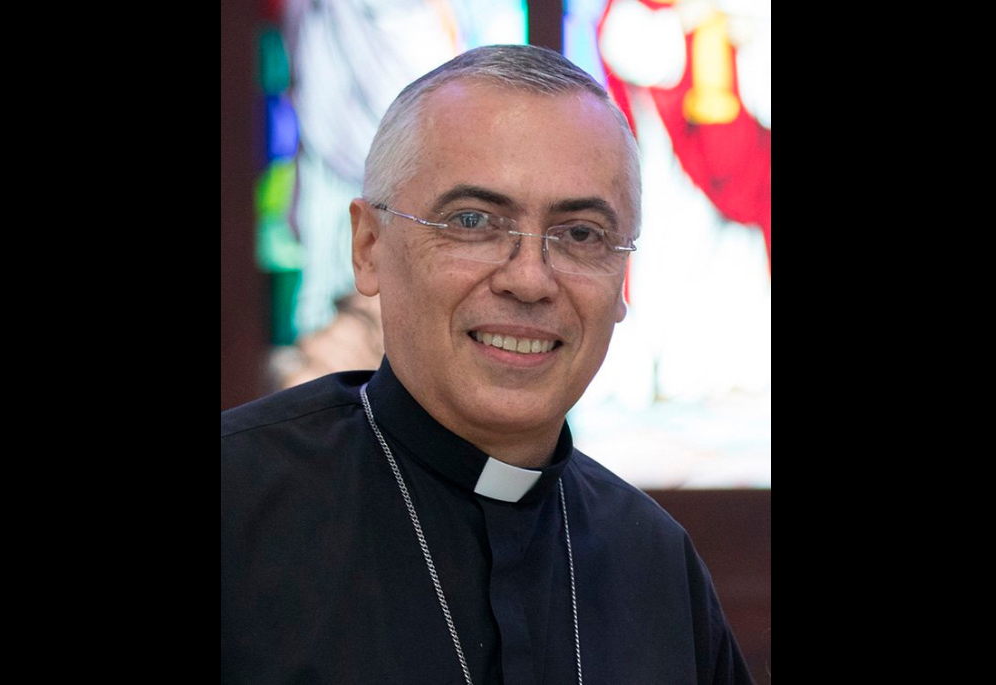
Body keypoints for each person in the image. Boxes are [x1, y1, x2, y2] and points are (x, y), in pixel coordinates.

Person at [222, 44, 754, 684]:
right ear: (367, 248)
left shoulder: (656, 562)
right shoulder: (237, 506)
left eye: (580, 233)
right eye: (473, 221)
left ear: (621, 280)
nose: (530, 280)